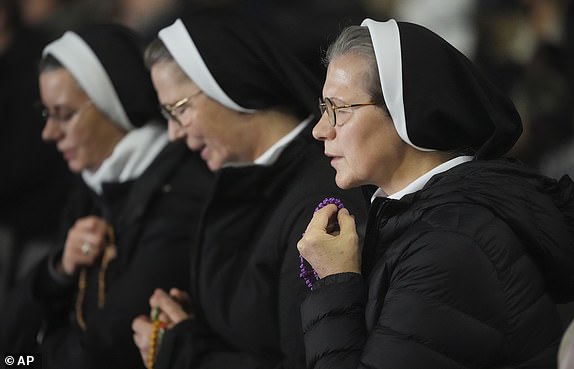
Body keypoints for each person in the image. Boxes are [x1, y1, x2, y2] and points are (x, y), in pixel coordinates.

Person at [297, 18, 574, 369]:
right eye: (324, 109)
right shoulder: (417, 214)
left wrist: (336, 282)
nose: (321, 130)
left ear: (406, 112)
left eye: (339, 109)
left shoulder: (451, 244)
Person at [131, 12, 369, 369]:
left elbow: (305, 361)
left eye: (178, 110)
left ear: (227, 85)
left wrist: (184, 352)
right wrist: (194, 325)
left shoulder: (322, 202)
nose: (174, 134)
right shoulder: (237, 177)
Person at [0, 23, 213, 369]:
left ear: (114, 105)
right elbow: (8, 334)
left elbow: (102, 350)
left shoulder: (181, 192)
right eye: (46, 113)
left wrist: (18, 362)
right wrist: (56, 272)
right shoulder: (91, 187)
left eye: (63, 114)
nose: (48, 132)